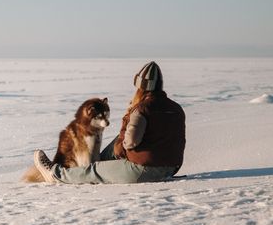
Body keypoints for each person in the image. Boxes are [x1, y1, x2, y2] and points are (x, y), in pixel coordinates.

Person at [32, 61, 185, 184]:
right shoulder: (177, 109)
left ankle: (56, 174)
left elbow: (130, 143)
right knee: (115, 143)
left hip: (143, 171)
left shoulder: (141, 109)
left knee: (94, 170)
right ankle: (85, 168)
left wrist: (129, 117)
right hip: (170, 168)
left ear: (140, 87)